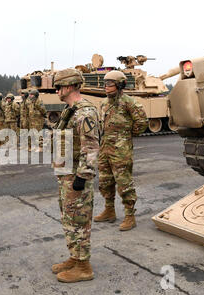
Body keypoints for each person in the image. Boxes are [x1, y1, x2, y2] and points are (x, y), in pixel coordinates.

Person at [51, 69, 100, 283]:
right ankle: (75, 257)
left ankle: (84, 267)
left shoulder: (85, 113)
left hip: (76, 176)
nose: (57, 91)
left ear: (70, 86)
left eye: (59, 86)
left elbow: (91, 147)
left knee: (79, 219)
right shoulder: (69, 111)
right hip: (66, 174)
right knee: (69, 217)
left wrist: (83, 176)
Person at [93, 70, 148, 231]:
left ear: (120, 85)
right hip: (105, 148)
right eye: (105, 84)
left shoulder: (129, 102)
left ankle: (130, 216)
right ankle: (109, 210)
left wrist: (126, 136)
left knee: (124, 183)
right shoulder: (104, 104)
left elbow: (142, 122)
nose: (106, 87)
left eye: (110, 84)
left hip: (121, 150)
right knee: (105, 181)